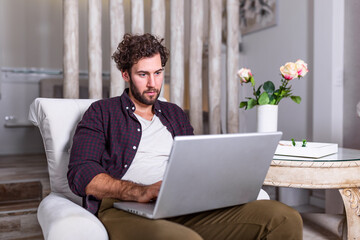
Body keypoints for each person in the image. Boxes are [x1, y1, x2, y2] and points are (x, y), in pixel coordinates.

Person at [68, 33, 303, 240]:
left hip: (182, 204)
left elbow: (195, 163)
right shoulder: (102, 112)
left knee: (285, 217)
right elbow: (80, 173)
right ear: (125, 74)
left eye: (158, 73)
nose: (153, 83)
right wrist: (139, 191)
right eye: (143, 74)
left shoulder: (174, 114)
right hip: (124, 208)